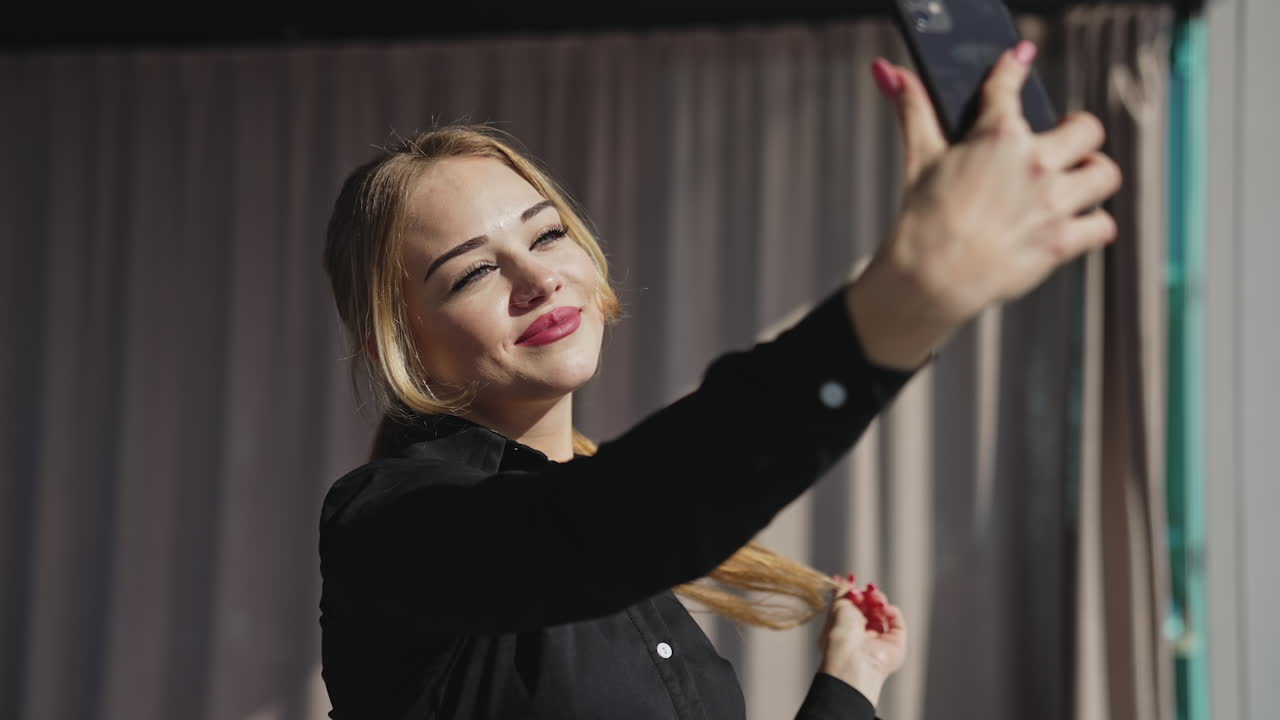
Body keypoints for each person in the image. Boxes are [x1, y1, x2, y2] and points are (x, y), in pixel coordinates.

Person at [318, 43, 1120, 720]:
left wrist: (848, 684)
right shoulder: (389, 527)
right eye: (475, 272)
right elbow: (611, 523)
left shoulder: (615, 543)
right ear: (399, 342)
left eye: (548, 233)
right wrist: (907, 297)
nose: (538, 279)